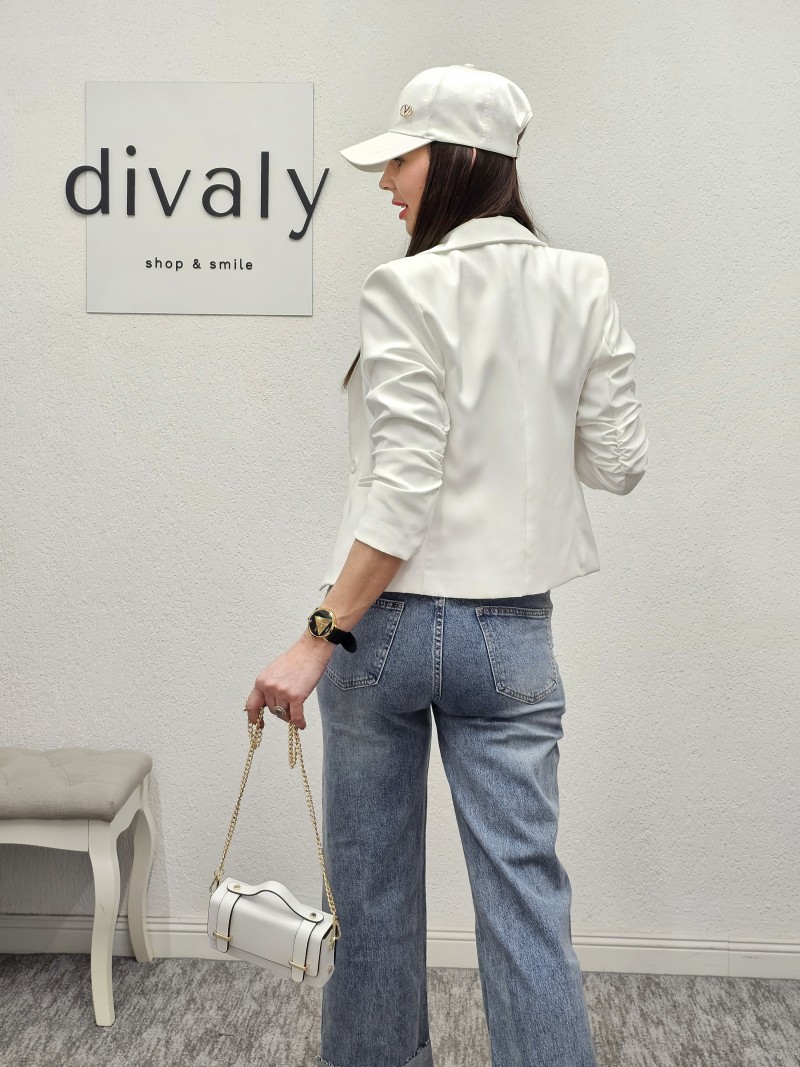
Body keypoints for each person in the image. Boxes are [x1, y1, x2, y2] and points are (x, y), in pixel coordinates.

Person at [246, 63, 648, 1067]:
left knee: (371, 896)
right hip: (510, 634)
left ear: (461, 157)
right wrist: (528, 403)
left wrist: (315, 636)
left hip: (380, 632)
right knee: (525, 902)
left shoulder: (405, 285)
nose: (387, 182)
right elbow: (619, 462)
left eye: (403, 159)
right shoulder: (582, 280)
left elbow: (403, 489)